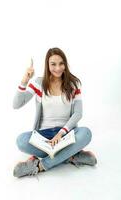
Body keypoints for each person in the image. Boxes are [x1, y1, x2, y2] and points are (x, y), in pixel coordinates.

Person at [13, 47, 97, 178]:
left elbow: (78, 113)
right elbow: (16, 104)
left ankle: (40, 166)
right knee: (21, 141)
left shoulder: (73, 84)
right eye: (53, 64)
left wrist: (61, 133)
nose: (58, 68)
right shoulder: (39, 83)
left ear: (65, 64)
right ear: (47, 65)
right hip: (44, 136)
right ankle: (70, 156)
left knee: (86, 133)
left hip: (66, 134)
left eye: (61, 63)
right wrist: (24, 81)